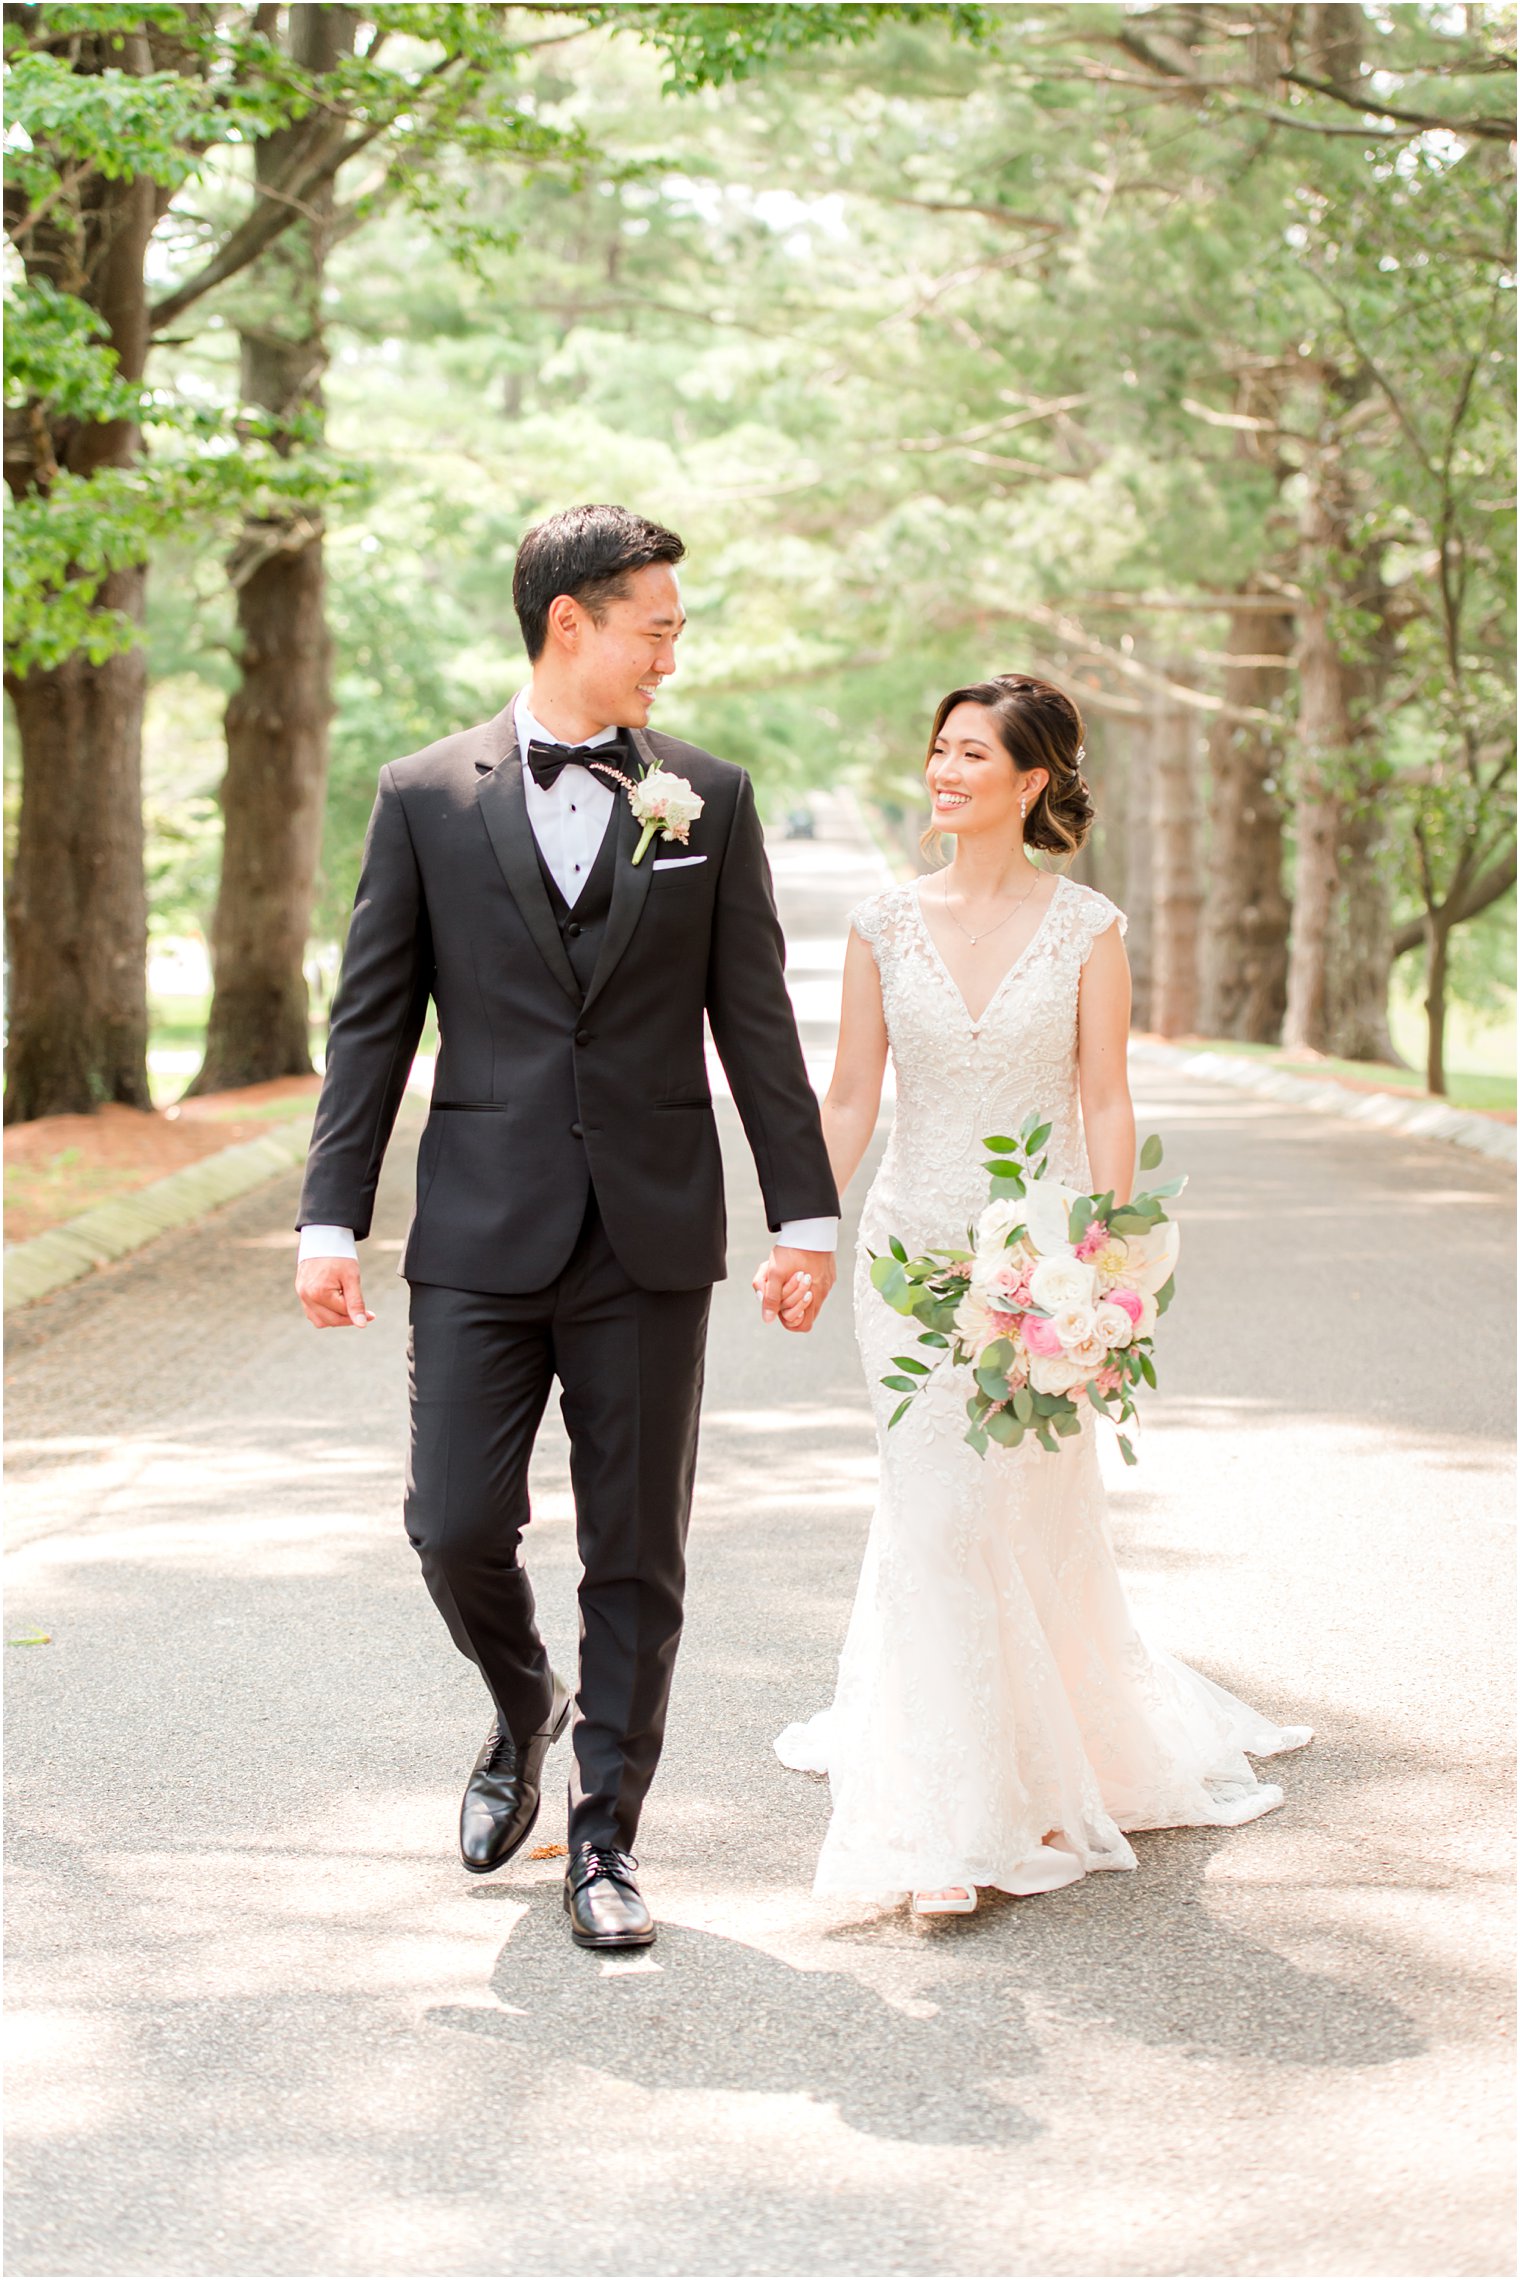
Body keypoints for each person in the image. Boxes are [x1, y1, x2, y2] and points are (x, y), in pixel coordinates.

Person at [295, 504, 838, 1950]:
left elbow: (758, 1024)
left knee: (636, 1548)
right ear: (570, 624)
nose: (674, 648)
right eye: (656, 623)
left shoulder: (707, 800)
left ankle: (604, 1842)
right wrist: (328, 1218)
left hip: (651, 1232)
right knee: (453, 1522)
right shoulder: (424, 796)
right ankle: (522, 1698)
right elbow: (371, 1029)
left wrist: (807, 1213)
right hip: (478, 1227)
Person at [773, 674, 1311, 1916]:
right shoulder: (878, 927)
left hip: (1041, 1272)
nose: (944, 771)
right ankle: (957, 1825)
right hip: (907, 1268)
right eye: (937, 748)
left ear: (1030, 784)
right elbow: (850, 1096)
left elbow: (1102, 1098)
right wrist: (803, 1227)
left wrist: (1104, 1264)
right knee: (936, 1514)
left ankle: (1041, 1745)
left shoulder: (1086, 929)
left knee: (1007, 1516)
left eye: (973, 755)